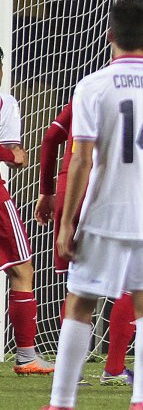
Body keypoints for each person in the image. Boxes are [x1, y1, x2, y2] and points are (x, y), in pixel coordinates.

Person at [46, 0, 143, 410]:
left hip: (105, 211)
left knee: (80, 302)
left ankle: (61, 402)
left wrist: (68, 222)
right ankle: (142, 401)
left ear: (110, 37)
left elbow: (81, 158)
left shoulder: (94, 85)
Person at [36, 102, 137, 386]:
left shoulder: (81, 98)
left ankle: (72, 372)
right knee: (130, 281)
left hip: (70, 190)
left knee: (76, 284)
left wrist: (46, 191)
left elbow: (49, 138)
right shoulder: (134, 101)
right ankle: (114, 367)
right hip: (108, 190)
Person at [0, 46, 54, 376]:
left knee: (21, 267)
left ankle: (26, 355)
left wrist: (13, 156)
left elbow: (16, 154)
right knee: (21, 267)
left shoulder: (8, 104)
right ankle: (25, 356)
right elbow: (14, 155)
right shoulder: (6, 102)